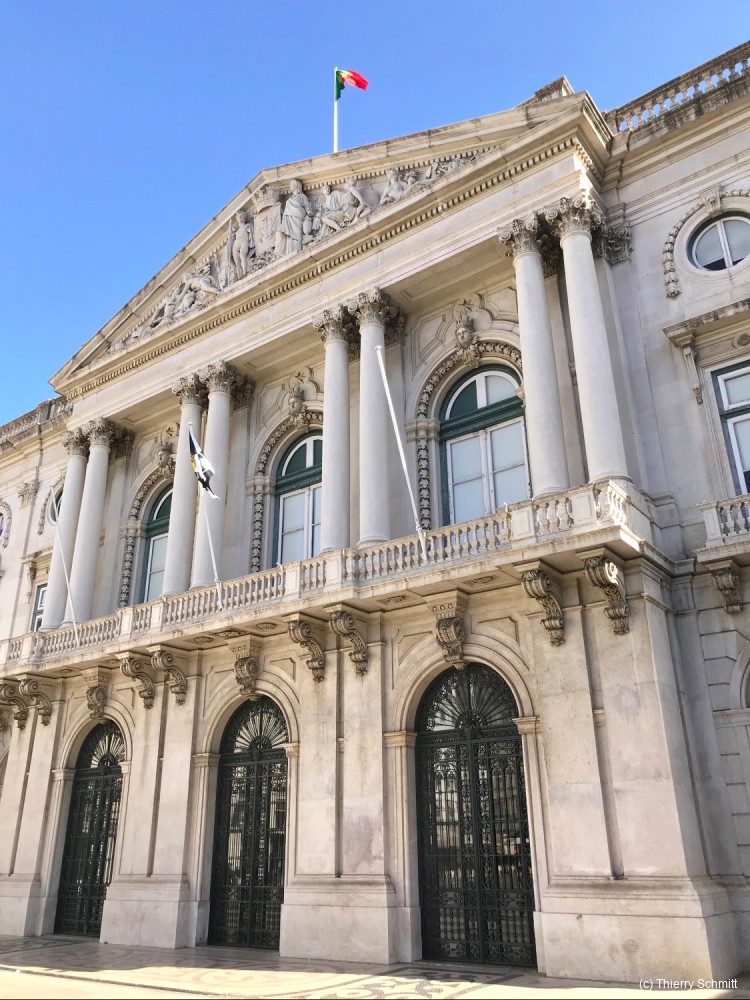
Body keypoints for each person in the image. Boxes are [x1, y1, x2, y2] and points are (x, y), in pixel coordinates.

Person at [277, 179, 312, 255]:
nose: (290, 186)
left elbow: (308, 207)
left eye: (292, 184)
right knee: (289, 237)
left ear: (297, 186)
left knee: (297, 236)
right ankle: (290, 253)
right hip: (289, 220)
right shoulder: (289, 200)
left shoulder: (302, 196)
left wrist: (309, 214)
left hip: (298, 219)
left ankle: (298, 252)